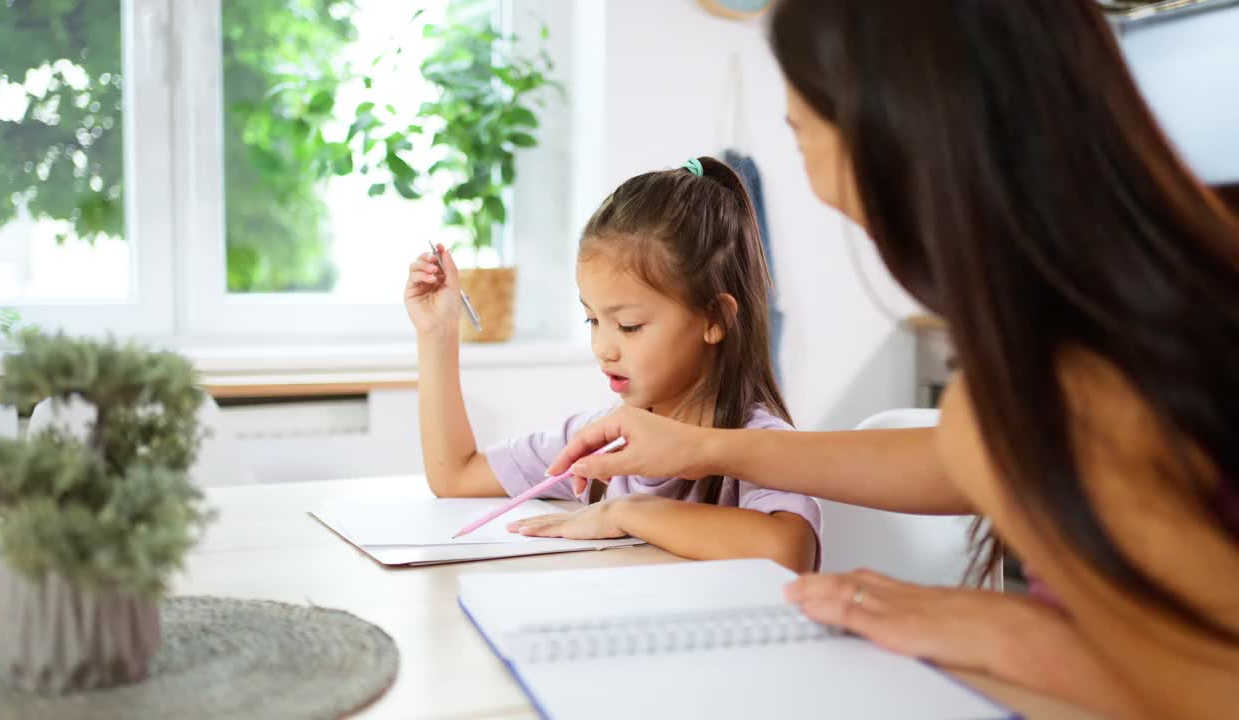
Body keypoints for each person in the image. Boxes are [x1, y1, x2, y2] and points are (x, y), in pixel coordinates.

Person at [544, 2, 1239, 717]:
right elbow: (962, 455)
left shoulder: (1103, 382)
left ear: (902, 139)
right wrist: (705, 447)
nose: (812, 172)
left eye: (802, 131)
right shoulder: (1140, 303)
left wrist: (1009, 631)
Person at [404, 156, 821, 572]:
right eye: (592, 320)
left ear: (714, 319)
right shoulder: (600, 444)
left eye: (628, 325)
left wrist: (626, 512)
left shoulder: (758, 445)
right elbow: (454, 476)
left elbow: (788, 551)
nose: (603, 347)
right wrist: (437, 333)